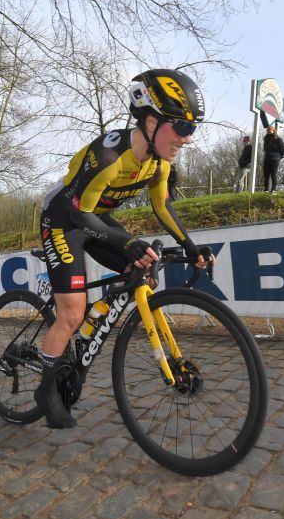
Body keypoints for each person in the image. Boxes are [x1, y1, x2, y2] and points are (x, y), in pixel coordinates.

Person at [34, 68, 212, 428]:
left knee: (140, 270)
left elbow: (162, 207)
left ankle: (87, 336)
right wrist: (127, 241)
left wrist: (190, 247)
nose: (188, 139)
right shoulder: (109, 156)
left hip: (95, 218)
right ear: (150, 120)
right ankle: (46, 388)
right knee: (71, 311)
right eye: (182, 128)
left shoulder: (158, 161)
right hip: (64, 220)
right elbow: (79, 213)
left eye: (192, 129)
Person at [262, 124, 284, 192]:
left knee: (273, 173)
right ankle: (266, 189)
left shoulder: (278, 139)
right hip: (267, 157)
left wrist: (278, 157)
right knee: (266, 173)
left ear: (273, 131)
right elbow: (265, 149)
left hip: (275, 158)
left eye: (270, 130)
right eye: (268, 130)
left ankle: (273, 189)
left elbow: (282, 150)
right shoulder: (265, 139)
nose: (269, 131)